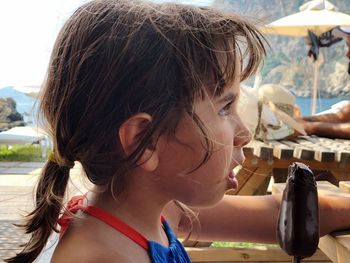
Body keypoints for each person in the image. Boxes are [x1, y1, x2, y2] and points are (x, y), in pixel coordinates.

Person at [6, 1, 350, 262]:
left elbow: (276, 214)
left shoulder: (151, 209)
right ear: (144, 140)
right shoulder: (102, 254)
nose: (244, 133)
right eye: (225, 107)